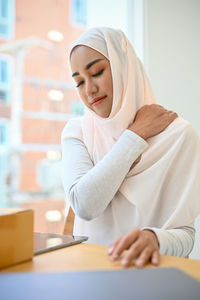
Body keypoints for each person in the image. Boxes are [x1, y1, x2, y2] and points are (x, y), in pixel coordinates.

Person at [61, 27, 200, 268]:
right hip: (89, 279)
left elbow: (186, 235)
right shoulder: (78, 131)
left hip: (152, 281)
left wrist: (155, 238)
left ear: (125, 68)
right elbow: (85, 204)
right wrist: (135, 135)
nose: (89, 90)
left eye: (97, 72)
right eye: (79, 82)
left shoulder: (179, 136)